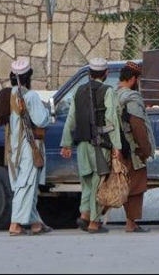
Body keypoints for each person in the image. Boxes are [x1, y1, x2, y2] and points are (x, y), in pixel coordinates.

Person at [60, 57, 122, 234]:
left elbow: (71, 120)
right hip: (100, 145)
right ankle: (94, 222)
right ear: (106, 74)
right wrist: (117, 146)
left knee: (86, 181)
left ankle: (85, 214)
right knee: (98, 181)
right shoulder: (107, 91)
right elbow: (112, 121)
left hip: (81, 146)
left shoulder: (79, 91)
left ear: (89, 74)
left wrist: (66, 144)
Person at [5, 57, 51, 236]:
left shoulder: (7, 95)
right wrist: (46, 112)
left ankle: (36, 224)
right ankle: (15, 224)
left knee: (25, 185)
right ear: (29, 76)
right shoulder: (30, 96)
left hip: (12, 147)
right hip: (28, 146)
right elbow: (41, 120)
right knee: (26, 185)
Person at [116, 61, 156, 233]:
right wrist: (144, 149)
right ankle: (131, 223)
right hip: (132, 149)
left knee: (126, 184)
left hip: (118, 147)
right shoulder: (132, 98)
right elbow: (137, 125)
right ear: (133, 79)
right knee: (136, 186)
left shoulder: (113, 95)